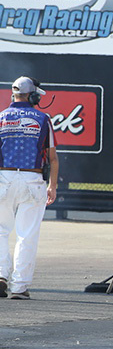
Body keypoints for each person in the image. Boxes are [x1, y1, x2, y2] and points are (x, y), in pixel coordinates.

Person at [0, 76, 59, 299]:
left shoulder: (1, 117)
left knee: (1, 230)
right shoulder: (43, 119)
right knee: (27, 235)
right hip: (32, 179)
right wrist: (52, 186)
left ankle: (1, 275)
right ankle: (19, 286)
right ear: (33, 96)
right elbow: (53, 158)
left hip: (3, 177)